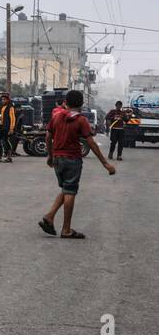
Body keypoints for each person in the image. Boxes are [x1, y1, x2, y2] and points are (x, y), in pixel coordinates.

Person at [39, 89, 115, 240]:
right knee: (70, 192)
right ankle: (66, 229)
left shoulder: (56, 117)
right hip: (72, 159)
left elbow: (48, 137)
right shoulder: (81, 120)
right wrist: (105, 164)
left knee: (66, 188)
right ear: (81, 104)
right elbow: (91, 143)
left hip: (58, 159)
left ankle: (49, 217)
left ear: (65, 102)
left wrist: (50, 155)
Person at [0, 93, 18, 163]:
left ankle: (9, 157)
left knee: (7, 141)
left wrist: (11, 128)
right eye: (2, 99)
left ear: (8, 100)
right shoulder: (3, 107)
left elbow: (13, 119)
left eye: (4, 99)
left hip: (7, 127)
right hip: (2, 126)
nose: (2, 101)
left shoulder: (10, 107)